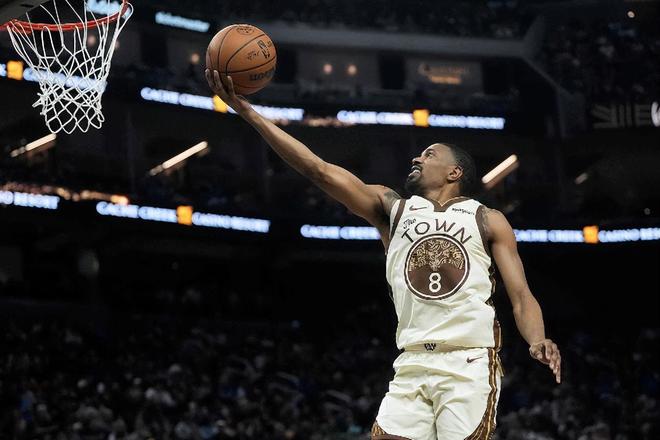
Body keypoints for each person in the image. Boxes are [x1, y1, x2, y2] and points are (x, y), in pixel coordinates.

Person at [205, 70, 561, 440]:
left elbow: (521, 296)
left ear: (455, 172)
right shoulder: (392, 208)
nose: (417, 158)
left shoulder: (488, 219)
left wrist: (537, 339)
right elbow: (318, 170)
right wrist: (249, 113)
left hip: (468, 360)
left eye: (429, 154)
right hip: (412, 361)